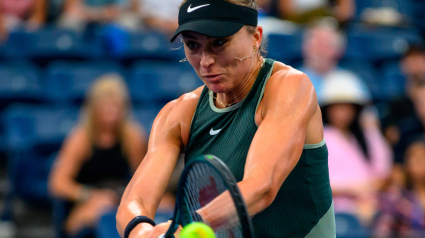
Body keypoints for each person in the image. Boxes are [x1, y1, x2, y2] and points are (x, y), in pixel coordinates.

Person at [116, 0, 335, 237]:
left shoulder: (290, 87)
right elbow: (133, 202)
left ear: (256, 38)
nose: (205, 61)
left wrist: (186, 228)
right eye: (192, 45)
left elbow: (261, 188)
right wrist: (142, 232)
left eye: (219, 42)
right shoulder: (178, 113)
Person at [49, 75, 148, 237]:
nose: (112, 113)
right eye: (106, 107)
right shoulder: (80, 139)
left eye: (116, 107)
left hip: (121, 198)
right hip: (88, 199)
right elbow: (58, 184)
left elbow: (143, 178)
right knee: (100, 213)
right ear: (94, 108)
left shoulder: (132, 137)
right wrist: (89, 195)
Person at [320, 71, 393, 223]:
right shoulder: (320, 138)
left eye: (348, 107)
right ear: (327, 109)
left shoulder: (367, 134)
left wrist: (372, 188)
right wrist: (353, 189)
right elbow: (315, 183)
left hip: (375, 205)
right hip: (337, 210)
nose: (343, 112)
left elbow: (384, 170)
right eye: (337, 107)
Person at [381, 45, 425, 163]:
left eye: (418, 58)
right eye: (410, 59)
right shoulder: (397, 104)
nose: (415, 63)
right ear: (403, 64)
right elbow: (391, 138)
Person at [374, 137, 425, 237]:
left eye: (423, 156)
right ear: (406, 163)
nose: (421, 161)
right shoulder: (396, 197)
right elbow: (382, 229)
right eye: (415, 157)